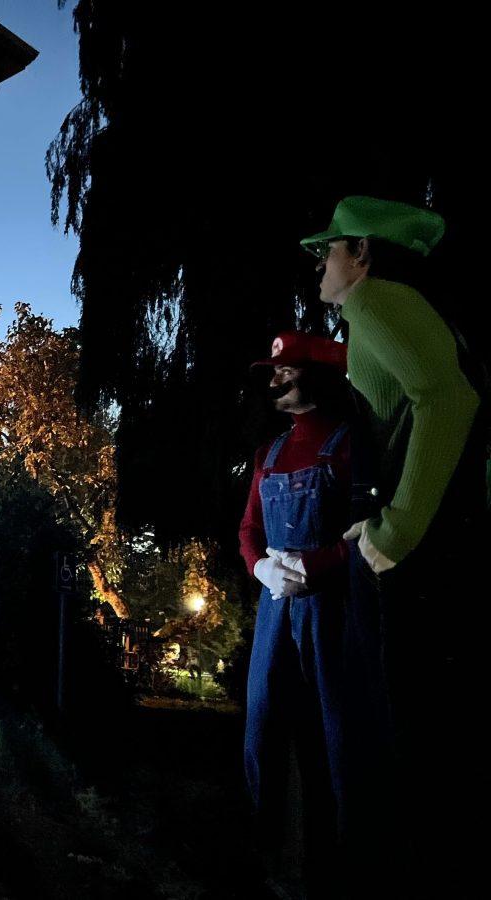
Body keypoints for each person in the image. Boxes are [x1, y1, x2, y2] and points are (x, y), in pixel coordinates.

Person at [302, 195, 482, 891]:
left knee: (407, 736)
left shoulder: (376, 303)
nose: (322, 264)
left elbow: (449, 400)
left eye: (331, 250)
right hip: (422, 547)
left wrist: (394, 531)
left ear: (363, 255)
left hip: (423, 555)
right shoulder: (384, 309)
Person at [239, 330, 354, 891]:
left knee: (334, 735)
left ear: (318, 376)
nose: (274, 378)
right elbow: (248, 530)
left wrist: (320, 566)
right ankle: (271, 864)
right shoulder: (270, 453)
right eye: (272, 371)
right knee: (262, 728)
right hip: (273, 612)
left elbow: (365, 535)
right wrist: (260, 567)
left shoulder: (347, 443)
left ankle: (338, 866)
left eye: (285, 370)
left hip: (330, 612)